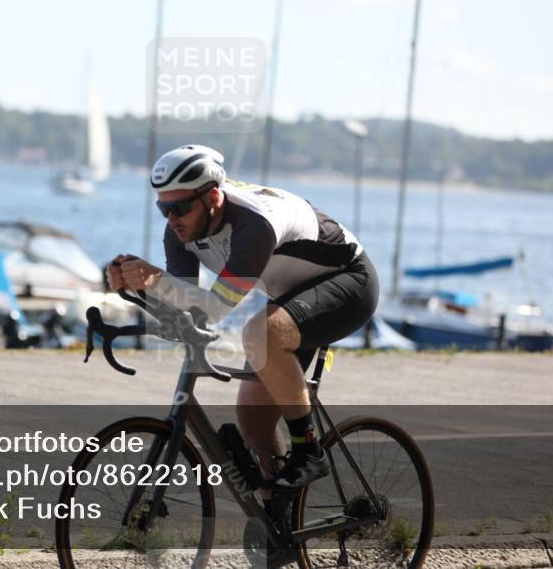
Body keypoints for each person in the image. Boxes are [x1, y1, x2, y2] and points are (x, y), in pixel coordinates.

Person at [107, 145, 379, 498]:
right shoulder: (181, 231)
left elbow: (216, 309)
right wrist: (135, 289)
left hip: (349, 281)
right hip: (290, 297)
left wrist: (155, 280)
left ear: (213, 197)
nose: (171, 218)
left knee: (261, 333)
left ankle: (309, 449)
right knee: (253, 418)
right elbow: (187, 308)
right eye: (164, 208)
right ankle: (277, 515)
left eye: (180, 207)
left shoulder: (254, 224)